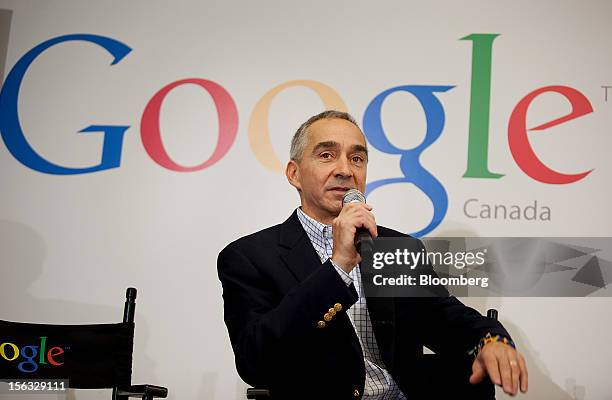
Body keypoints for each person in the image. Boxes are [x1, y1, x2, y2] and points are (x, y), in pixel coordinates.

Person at [217, 110, 528, 399]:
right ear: (294, 174)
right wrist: (338, 267)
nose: (345, 170)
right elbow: (254, 361)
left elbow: (447, 320)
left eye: (357, 158)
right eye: (327, 155)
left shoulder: (396, 248)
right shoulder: (249, 257)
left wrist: (491, 340)